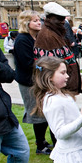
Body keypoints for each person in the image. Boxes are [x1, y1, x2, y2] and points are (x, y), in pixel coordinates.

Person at [14, 10, 54, 155]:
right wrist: (43, 67)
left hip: (37, 80)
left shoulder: (35, 38)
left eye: (39, 20)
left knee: (43, 112)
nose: (39, 23)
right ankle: (40, 145)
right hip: (28, 82)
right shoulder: (22, 40)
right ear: (27, 23)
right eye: (35, 20)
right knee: (37, 113)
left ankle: (42, 141)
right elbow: (28, 63)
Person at [34, 2, 82, 95]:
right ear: (51, 18)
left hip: (65, 86)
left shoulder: (55, 33)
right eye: (60, 19)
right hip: (59, 88)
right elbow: (49, 67)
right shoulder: (47, 35)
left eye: (63, 19)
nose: (63, 22)